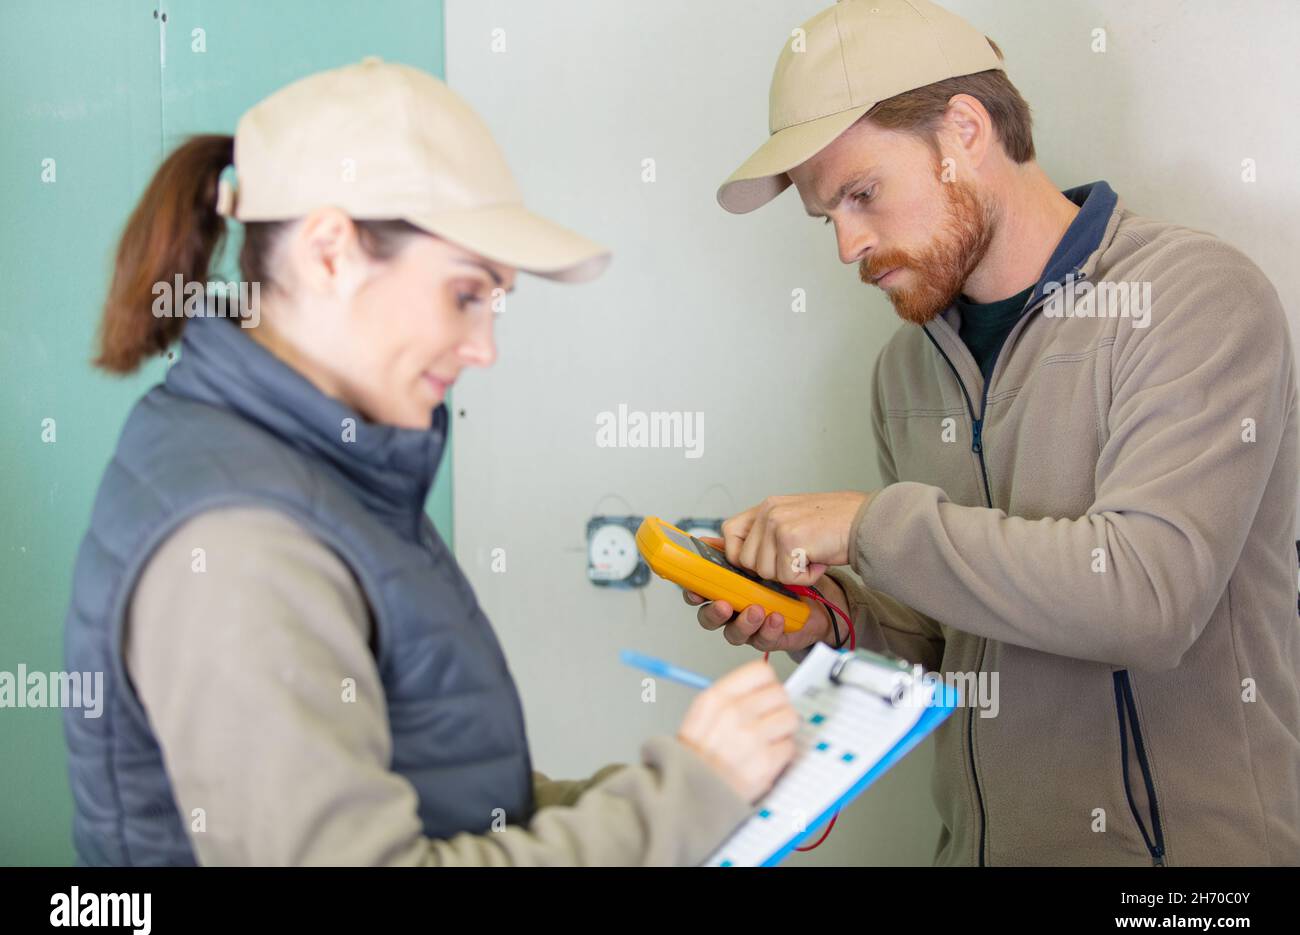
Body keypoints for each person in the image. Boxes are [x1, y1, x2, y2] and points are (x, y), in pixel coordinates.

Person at [62, 58, 797, 866]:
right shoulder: (243, 542)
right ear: (330, 253)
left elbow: (442, 801)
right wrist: (689, 795)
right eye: (464, 294)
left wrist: (711, 792)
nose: (485, 349)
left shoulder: (320, 471)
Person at [686, 0, 1299, 865]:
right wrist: (831, 622)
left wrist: (866, 525)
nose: (846, 246)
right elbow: (960, 640)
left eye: (862, 194)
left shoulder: (1193, 299)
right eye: (830, 216)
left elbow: (1149, 601)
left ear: (964, 131)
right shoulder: (903, 371)